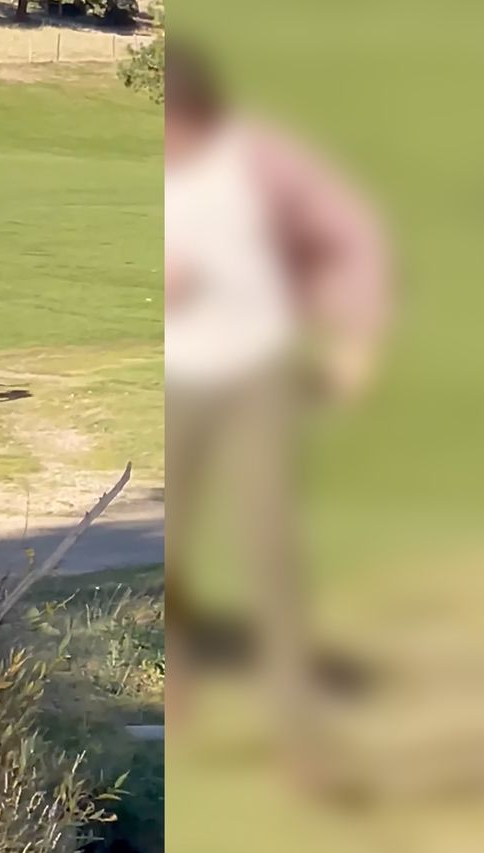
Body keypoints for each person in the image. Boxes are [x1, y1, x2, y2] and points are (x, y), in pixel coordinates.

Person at [164, 41, 389, 769]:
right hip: (180, 380)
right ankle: (180, 691)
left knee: (269, 544)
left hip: (257, 372)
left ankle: (298, 728)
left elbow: (352, 236)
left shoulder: (262, 159)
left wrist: (355, 340)